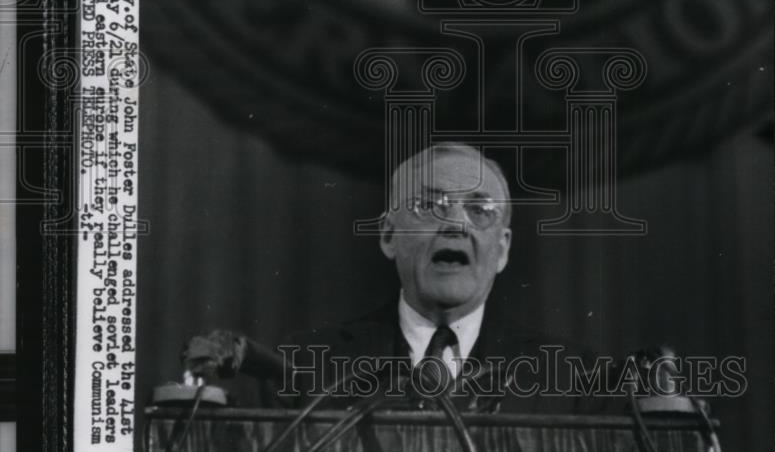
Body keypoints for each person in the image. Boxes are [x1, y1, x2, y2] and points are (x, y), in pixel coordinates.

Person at [182, 142, 608, 413]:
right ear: (388, 235)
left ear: (502, 249)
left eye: (480, 210)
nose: (456, 225)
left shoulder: (573, 381)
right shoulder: (301, 369)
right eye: (430, 206)